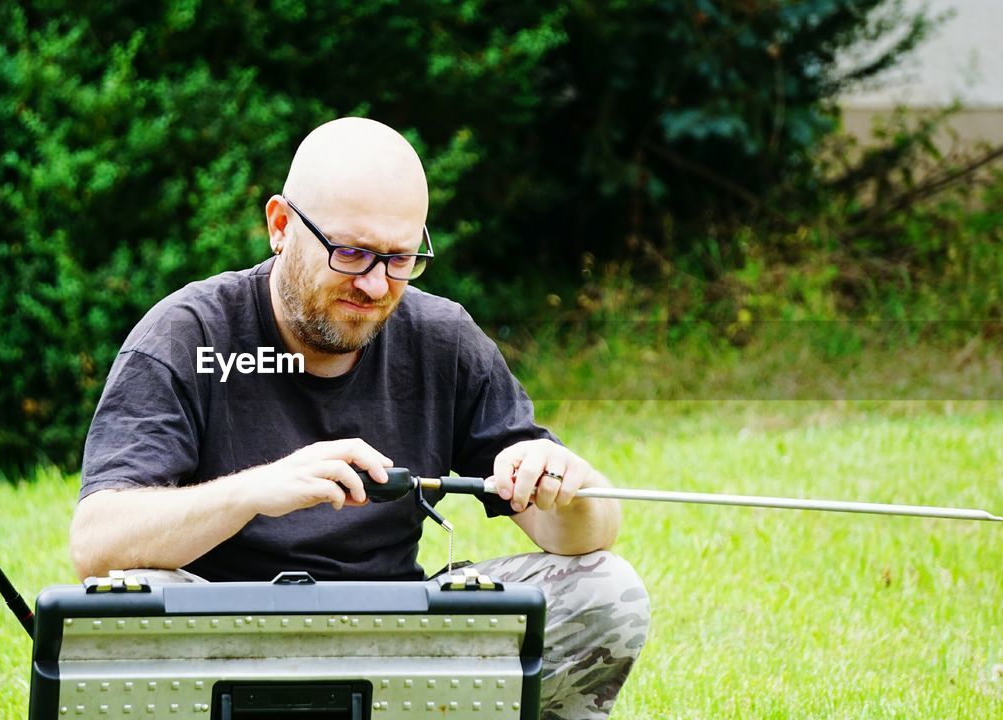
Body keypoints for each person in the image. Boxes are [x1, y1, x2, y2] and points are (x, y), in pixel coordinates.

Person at [70, 117, 650, 719]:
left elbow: (586, 538)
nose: (375, 285)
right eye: (351, 253)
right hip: (226, 642)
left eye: (399, 259)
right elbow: (97, 541)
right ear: (280, 226)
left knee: (607, 589)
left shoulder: (441, 339)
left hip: (396, 641)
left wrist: (566, 482)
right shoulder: (188, 337)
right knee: (125, 608)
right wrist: (255, 491)